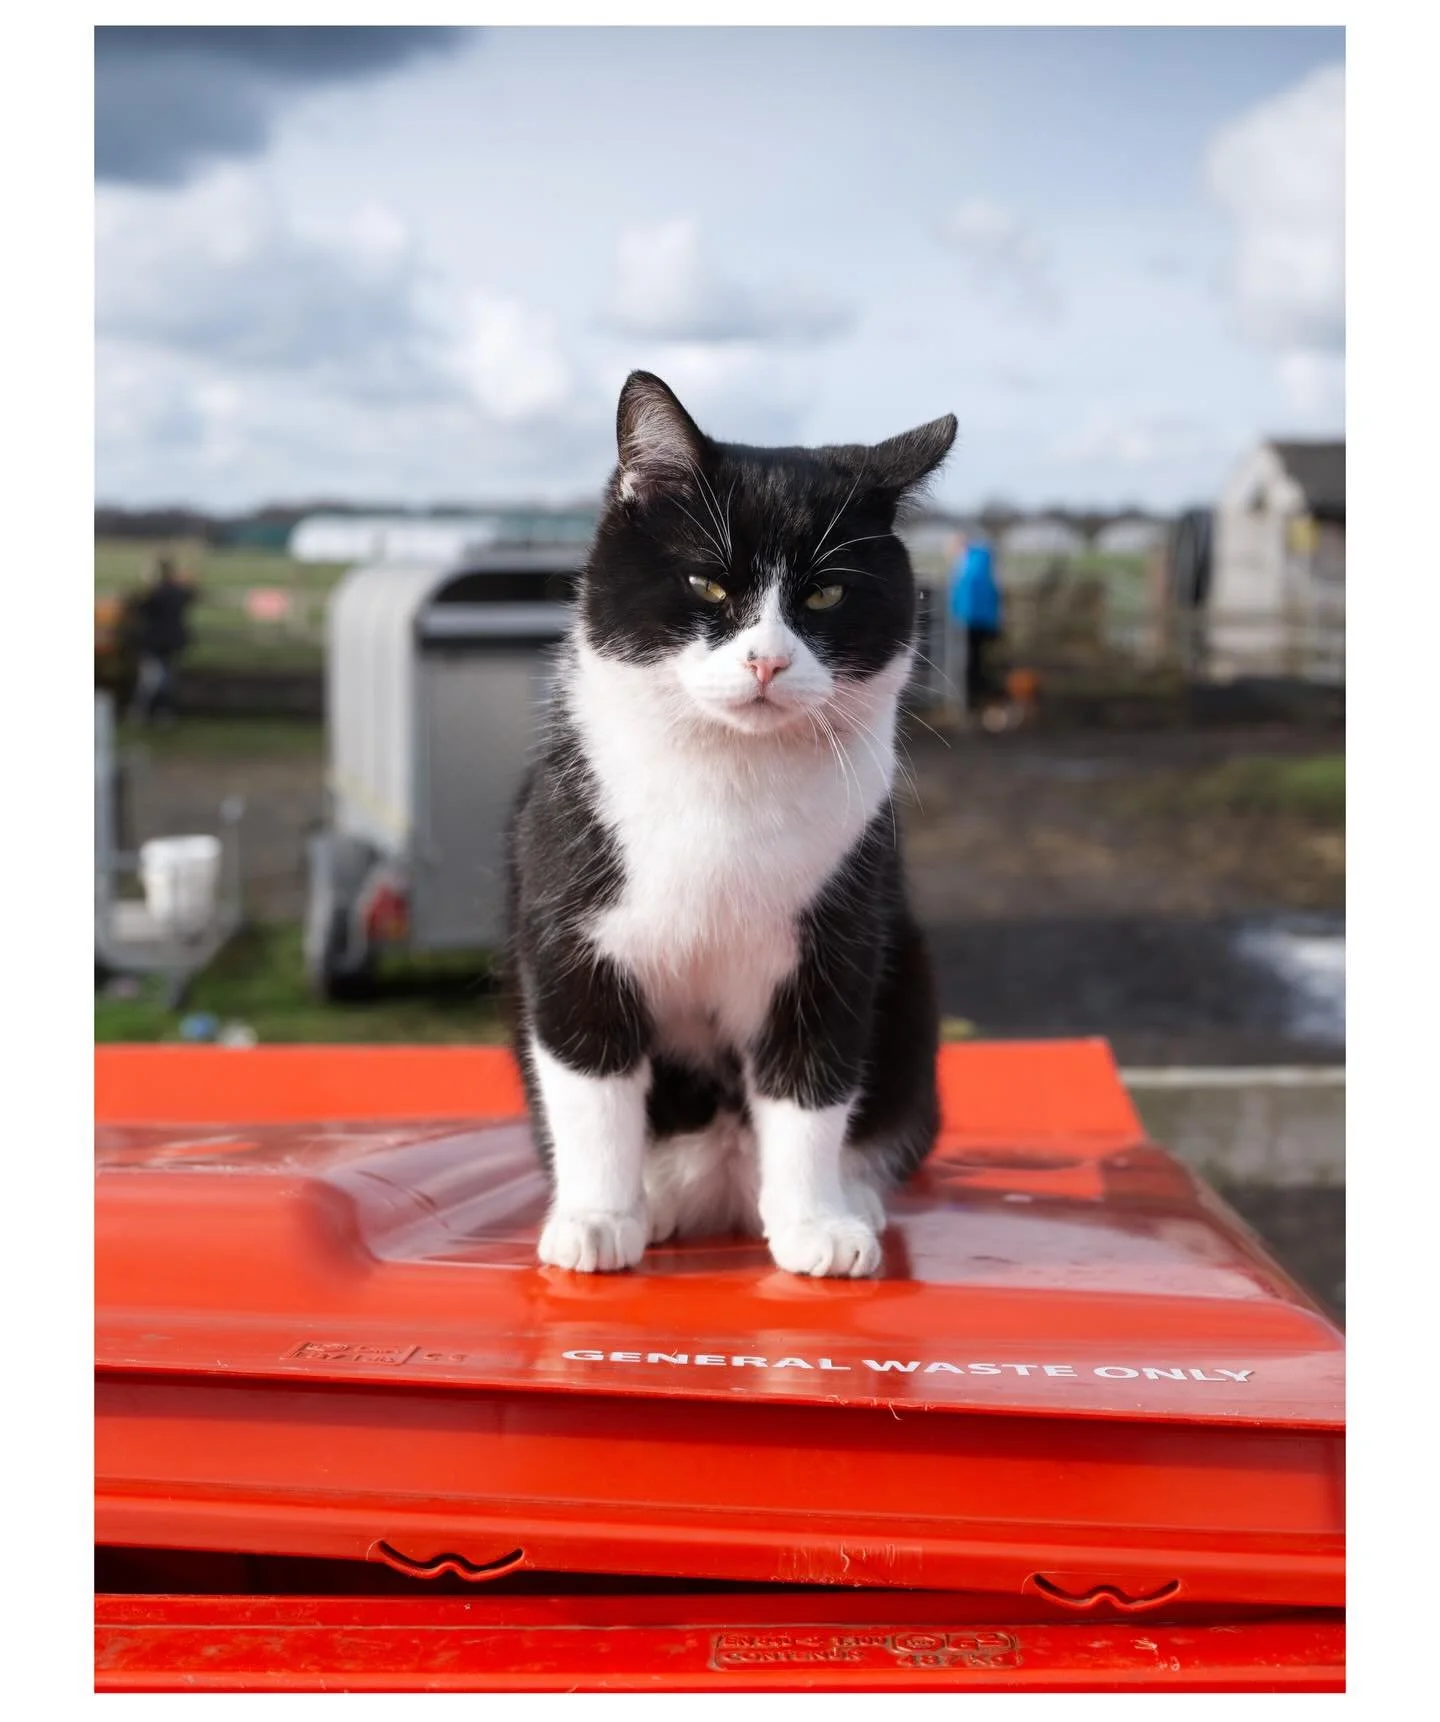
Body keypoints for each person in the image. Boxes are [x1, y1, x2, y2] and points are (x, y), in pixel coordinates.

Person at [128, 557, 197, 725]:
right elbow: (193, 595)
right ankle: (163, 713)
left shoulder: (155, 592)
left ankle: (141, 712)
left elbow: (139, 607)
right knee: (167, 678)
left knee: (150, 679)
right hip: (173, 641)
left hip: (154, 641)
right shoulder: (178, 591)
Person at [948, 534, 1003, 717]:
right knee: (978, 660)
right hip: (986, 621)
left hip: (968, 621)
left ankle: (971, 698)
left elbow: (962, 595)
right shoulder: (983, 562)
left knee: (969, 660)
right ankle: (981, 695)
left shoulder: (967, 566)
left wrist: (954, 613)